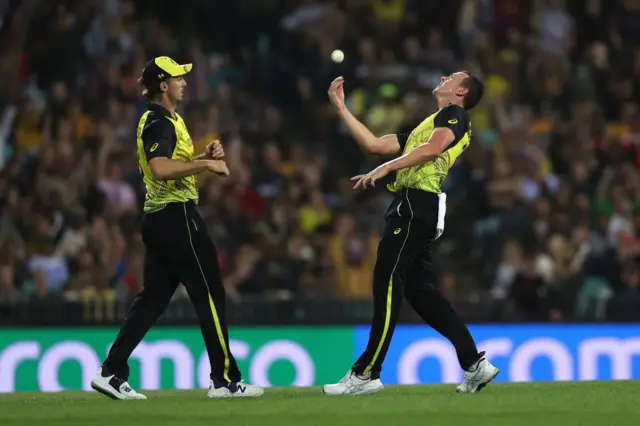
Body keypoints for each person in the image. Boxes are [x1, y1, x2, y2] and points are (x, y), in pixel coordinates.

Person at [90, 56, 264, 400]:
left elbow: (172, 163)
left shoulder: (171, 119)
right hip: (175, 217)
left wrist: (203, 153)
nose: (185, 82)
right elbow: (159, 168)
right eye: (178, 78)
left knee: (153, 299)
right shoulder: (157, 121)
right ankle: (225, 380)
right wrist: (206, 164)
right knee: (210, 292)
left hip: (160, 218)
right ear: (164, 85)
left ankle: (111, 371)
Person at [322, 72, 498, 395]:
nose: (444, 76)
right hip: (416, 205)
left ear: (459, 91)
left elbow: (434, 149)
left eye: (453, 76)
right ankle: (474, 364)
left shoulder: (454, 115)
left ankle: (366, 374)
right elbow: (375, 144)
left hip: (416, 204)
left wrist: (387, 167)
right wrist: (341, 109)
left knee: (387, 281)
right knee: (421, 294)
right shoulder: (430, 123)